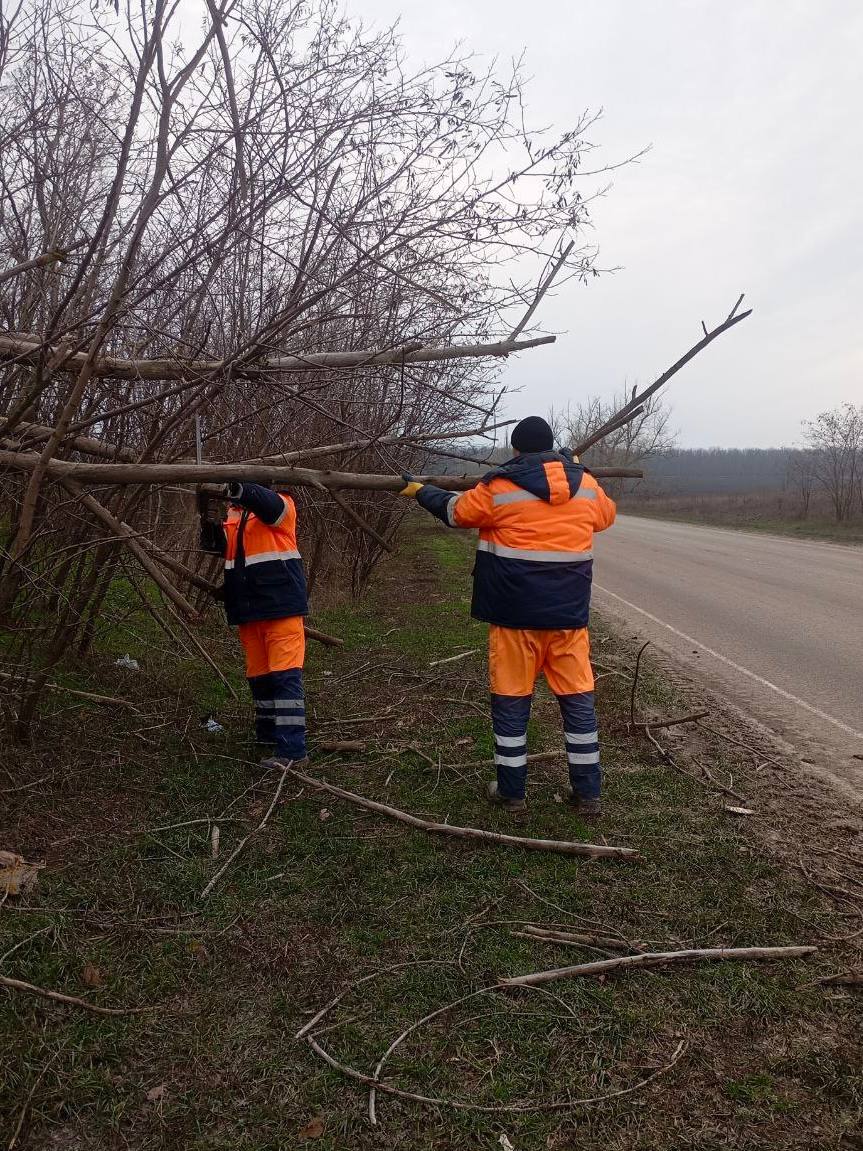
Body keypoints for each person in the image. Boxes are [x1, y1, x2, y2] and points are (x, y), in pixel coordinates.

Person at [401, 416, 615, 816]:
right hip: (568, 620)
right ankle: (589, 794)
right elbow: (605, 516)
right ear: (552, 447)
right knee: (578, 704)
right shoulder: (585, 483)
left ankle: (512, 793)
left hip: (515, 620)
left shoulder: (500, 486)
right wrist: (570, 466)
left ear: (516, 451)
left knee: (512, 703)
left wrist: (420, 491)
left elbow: (455, 512)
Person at [200, 481, 308, 767]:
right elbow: (218, 549)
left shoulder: (282, 504)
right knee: (259, 677)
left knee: (285, 677)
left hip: (280, 606)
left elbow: (266, 503)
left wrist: (236, 486)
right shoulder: (234, 515)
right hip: (248, 609)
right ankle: (268, 735)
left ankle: (293, 752)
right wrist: (207, 517)